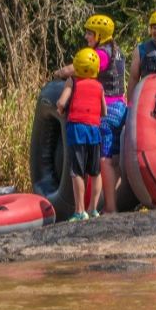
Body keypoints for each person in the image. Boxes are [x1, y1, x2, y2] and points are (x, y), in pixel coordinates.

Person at [51, 15, 126, 214]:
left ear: (100, 35)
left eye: (90, 33)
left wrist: (60, 73)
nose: (86, 37)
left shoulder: (102, 53)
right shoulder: (117, 51)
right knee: (111, 159)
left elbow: (82, 68)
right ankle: (103, 205)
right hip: (119, 106)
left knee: (104, 160)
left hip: (107, 109)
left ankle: (109, 207)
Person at [56, 48, 106, 221]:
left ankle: (80, 210)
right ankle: (93, 209)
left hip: (77, 129)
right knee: (95, 171)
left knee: (77, 171)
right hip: (94, 130)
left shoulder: (73, 81)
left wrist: (60, 108)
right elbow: (104, 111)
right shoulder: (99, 86)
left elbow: (62, 101)